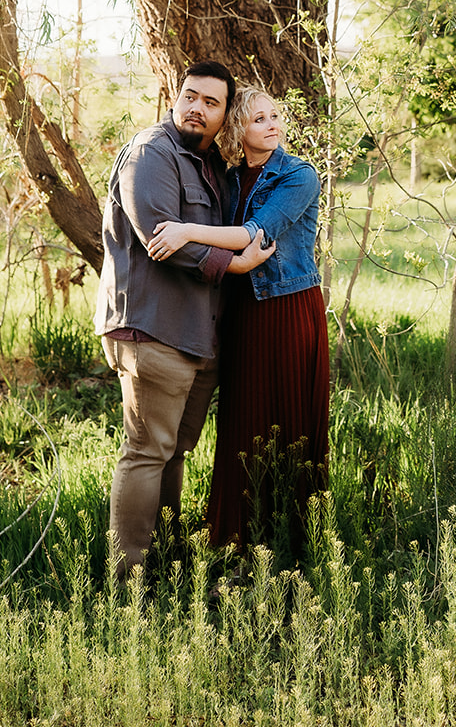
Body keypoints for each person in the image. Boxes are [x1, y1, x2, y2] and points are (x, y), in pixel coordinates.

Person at [97, 61, 273, 578]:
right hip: (153, 327)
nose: (197, 108)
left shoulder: (212, 168)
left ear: (225, 118)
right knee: (147, 451)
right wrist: (234, 263)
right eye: (190, 96)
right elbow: (159, 237)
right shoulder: (152, 154)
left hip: (198, 335)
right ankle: (129, 580)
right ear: (175, 98)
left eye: (211, 102)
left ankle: (167, 558)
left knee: (174, 451)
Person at [148, 89, 329, 556]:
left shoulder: (298, 176)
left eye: (275, 116)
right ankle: (235, 538)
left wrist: (185, 230)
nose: (271, 125)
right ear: (238, 130)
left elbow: (254, 234)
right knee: (243, 421)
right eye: (258, 119)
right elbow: (230, 250)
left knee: (288, 422)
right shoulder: (228, 179)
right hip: (242, 312)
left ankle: (292, 542)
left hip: (287, 308)